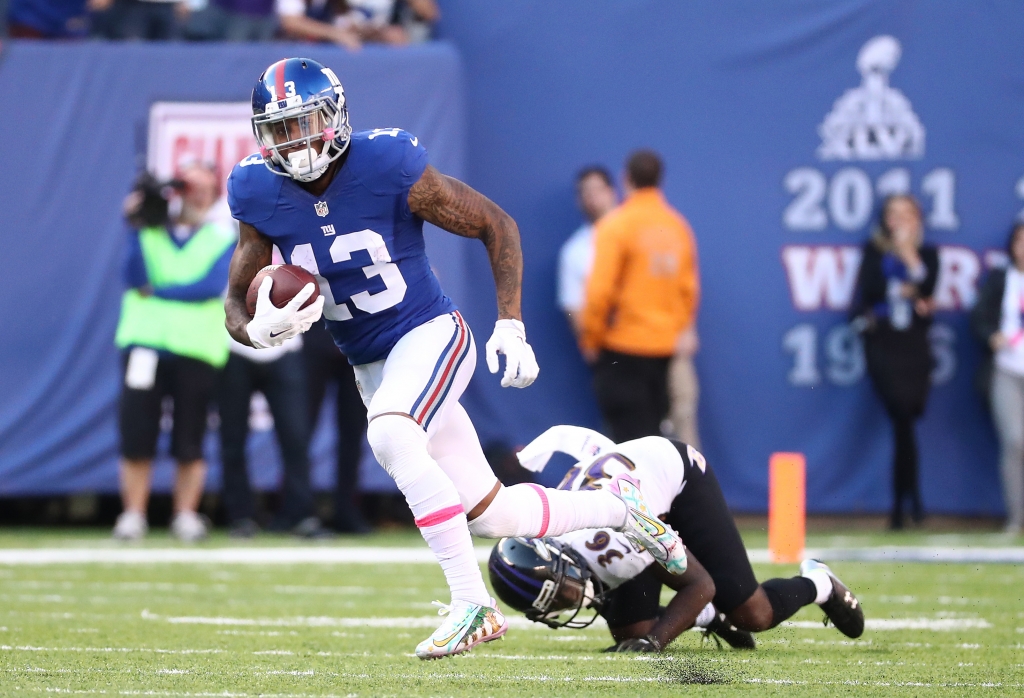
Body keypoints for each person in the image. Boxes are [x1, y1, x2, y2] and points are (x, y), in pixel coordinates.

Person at [223, 58, 689, 659]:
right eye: (280, 129)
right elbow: (235, 300)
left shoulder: (386, 163)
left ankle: (474, 606)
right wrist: (257, 330)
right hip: (373, 366)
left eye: (305, 123)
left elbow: (496, 224)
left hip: (429, 333)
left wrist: (512, 325)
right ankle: (624, 509)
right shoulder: (257, 188)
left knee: (391, 435)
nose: (295, 140)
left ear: (335, 116)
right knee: (491, 513)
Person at [489, 425, 865, 652]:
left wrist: (656, 642)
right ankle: (708, 618)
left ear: (561, 564)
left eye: (560, 593)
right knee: (629, 632)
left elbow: (700, 583)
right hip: (632, 500)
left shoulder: (614, 547)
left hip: (676, 479)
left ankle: (818, 583)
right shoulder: (570, 538)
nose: (566, 603)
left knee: (753, 613)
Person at [113, 166, 235, 542]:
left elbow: (210, 285)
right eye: (188, 188)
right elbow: (134, 277)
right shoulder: (149, 230)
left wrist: (159, 292)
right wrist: (134, 223)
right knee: (137, 432)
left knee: (190, 435)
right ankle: (133, 514)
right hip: (145, 344)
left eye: (204, 190)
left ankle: (185, 514)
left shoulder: (222, 234)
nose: (195, 197)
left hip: (196, 348)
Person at [579, 150, 700, 443]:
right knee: (658, 442)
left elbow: (598, 293)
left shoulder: (616, 225)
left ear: (626, 179)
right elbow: (688, 291)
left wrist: (591, 339)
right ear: (660, 180)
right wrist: (672, 331)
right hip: (664, 354)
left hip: (623, 350)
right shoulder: (677, 227)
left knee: (628, 447)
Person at [219, 251, 329, 539]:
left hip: (285, 348)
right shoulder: (224, 228)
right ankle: (240, 516)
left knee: (296, 437)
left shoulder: (289, 228)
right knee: (232, 438)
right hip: (235, 346)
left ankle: (300, 514)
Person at [850, 194, 938, 530]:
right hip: (884, 343)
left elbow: (928, 284)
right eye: (893, 214)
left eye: (907, 214)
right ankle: (906, 506)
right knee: (900, 413)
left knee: (907, 419)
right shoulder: (874, 250)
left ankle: (908, 503)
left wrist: (907, 256)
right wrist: (907, 288)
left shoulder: (927, 253)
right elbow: (870, 289)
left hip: (914, 345)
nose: (899, 220)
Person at [971, 222, 1024, 535]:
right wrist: (990, 335)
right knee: (1015, 441)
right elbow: (979, 317)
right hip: (1007, 368)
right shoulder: (1002, 279)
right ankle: (1016, 518)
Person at [303, 319, 371, 533]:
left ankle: (347, 511)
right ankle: (299, 510)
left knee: (353, 435)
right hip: (313, 337)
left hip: (358, 340)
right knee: (299, 434)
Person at [556, 166, 617, 338]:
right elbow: (571, 306)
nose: (592, 197)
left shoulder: (640, 232)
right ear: (579, 200)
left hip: (658, 340)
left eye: (597, 189)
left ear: (611, 192)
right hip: (612, 348)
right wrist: (589, 342)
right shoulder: (574, 250)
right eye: (585, 192)